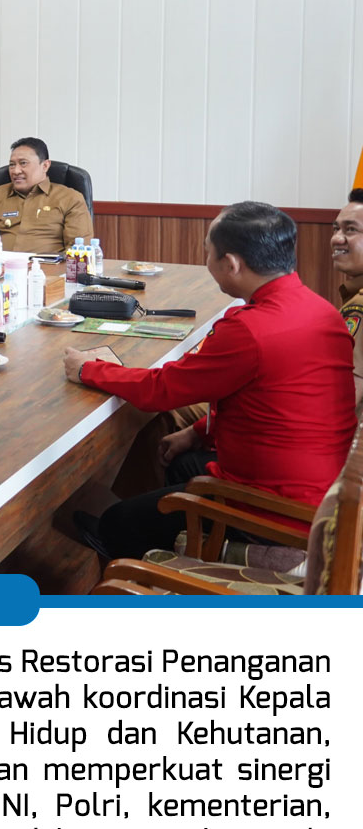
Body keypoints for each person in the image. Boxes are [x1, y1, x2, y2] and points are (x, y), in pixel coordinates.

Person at [63, 201, 356, 561]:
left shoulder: (249, 330)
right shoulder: (322, 310)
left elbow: (160, 390)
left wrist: (87, 368)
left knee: (116, 523)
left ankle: (148, 572)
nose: (207, 261)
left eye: (208, 252)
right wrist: (198, 431)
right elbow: (273, 401)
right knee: (181, 463)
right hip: (324, 490)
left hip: (277, 509)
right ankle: (177, 539)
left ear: (231, 263)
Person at [0, 137, 92, 253]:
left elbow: (78, 249)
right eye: (12, 164)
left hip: (46, 268)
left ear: (45, 166)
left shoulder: (70, 198)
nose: (16, 171)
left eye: (23, 163)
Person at [332, 189, 363, 416]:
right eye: (336, 229)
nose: (336, 238)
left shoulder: (359, 308)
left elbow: (347, 395)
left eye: (350, 229)